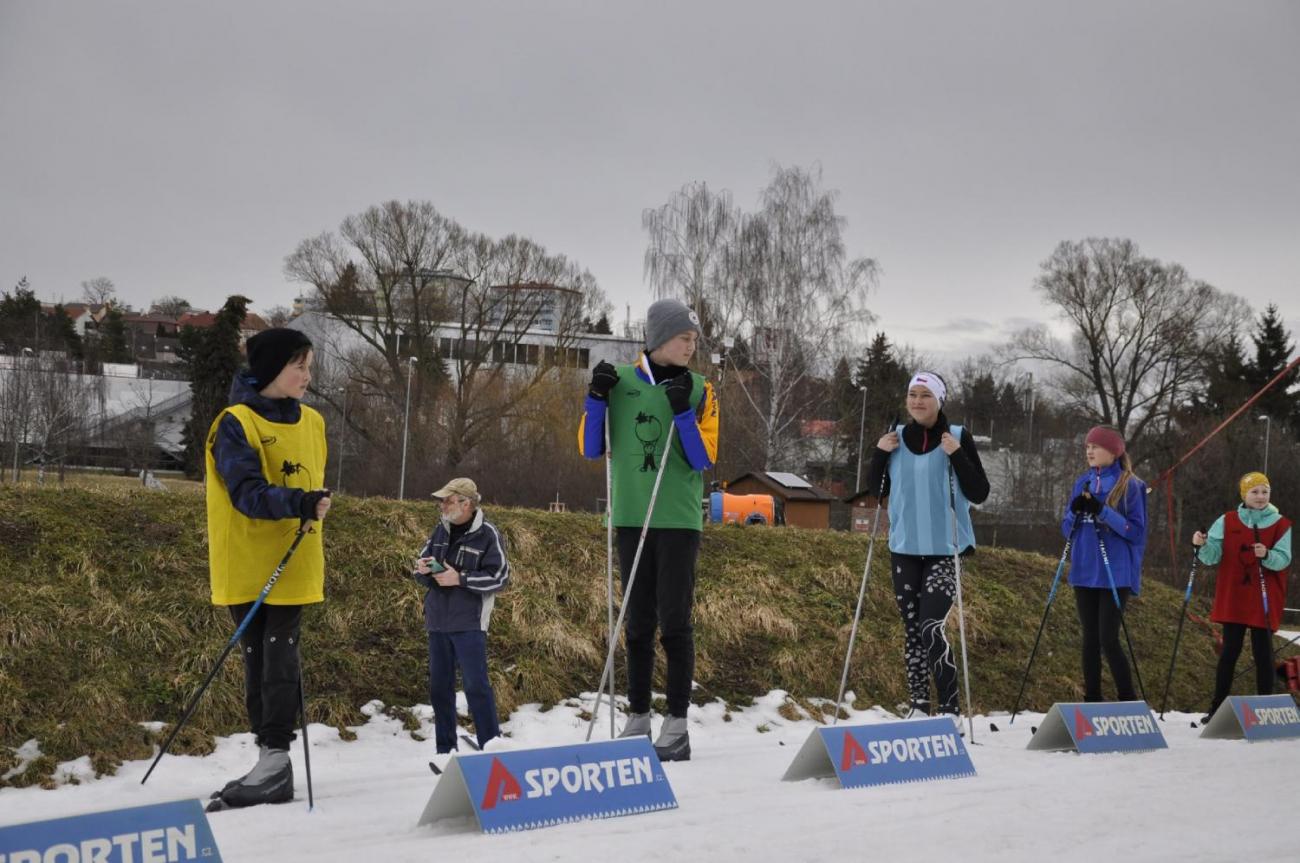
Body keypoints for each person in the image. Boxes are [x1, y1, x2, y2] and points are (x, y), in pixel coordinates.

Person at [578, 298, 719, 761]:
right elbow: (590, 448)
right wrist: (594, 399)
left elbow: (704, 459)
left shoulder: (701, 389)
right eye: (685, 339)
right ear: (659, 339)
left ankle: (676, 725)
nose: (691, 347)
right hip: (630, 515)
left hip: (676, 518)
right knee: (636, 623)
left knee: (674, 623)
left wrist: (682, 413)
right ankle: (637, 716)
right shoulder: (618, 381)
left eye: (695, 340)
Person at [205, 327, 332, 808]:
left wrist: (312, 504)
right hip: (246, 560)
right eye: (298, 365)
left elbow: (312, 481)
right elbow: (245, 492)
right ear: (271, 369)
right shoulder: (233, 423)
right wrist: (299, 500)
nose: (306, 375)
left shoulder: (314, 422)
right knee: (258, 657)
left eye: (309, 365)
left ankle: (276, 760)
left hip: (296, 560)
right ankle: (269, 756)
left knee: (281, 655)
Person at [864, 372, 989, 721]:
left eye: (925, 395)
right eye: (912, 395)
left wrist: (958, 454)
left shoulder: (958, 437)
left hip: (946, 548)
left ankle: (949, 708)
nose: (917, 401)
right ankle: (919, 704)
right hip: (904, 547)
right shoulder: (895, 437)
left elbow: (979, 492)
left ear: (939, 401)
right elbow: (877, 490)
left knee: (930, 626)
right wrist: (878, 453)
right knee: (912, 629)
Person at [412, 477, 510, 754]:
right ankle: (445, 750)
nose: (441, 505)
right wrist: (422, 569)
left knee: (476, 687)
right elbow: (420, 567)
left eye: (447, 500)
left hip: (469, 622)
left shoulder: (488, 534)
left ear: (466, 504)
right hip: (438, 621)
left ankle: (491, 747)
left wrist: (461, 578)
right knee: (439, 689)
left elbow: (500, 578)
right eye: (442, 501)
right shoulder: (439, 530)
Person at [1192, 472, 1292, 721]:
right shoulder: (1227, 520)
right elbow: (1212, 555)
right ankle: (1217, 708)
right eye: (1255, 491)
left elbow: (1283, 559)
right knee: (1229, 652)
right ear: (1244, 495)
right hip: (1234, 593)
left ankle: (1266, 709)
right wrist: (1201, 545)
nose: (1260, 496)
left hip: (1264, 596)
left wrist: (1267, 554)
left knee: (1263, 653)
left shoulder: (1281, 524)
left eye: (1265, 491)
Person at [1060, 425, 1147, 703]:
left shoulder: (1130, 485)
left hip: (1115, 573)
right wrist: (1074, 512)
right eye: (1087, 447)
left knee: (1108, 638)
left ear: (1113, 451)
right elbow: (1066, 529)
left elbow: (1136, 532)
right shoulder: (1082, 482)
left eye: (1095, 447)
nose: (1089, 451)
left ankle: (1128, 699)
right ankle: (1093, 700)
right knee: (1090, 640)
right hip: (1084, 570)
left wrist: (1103, 512)